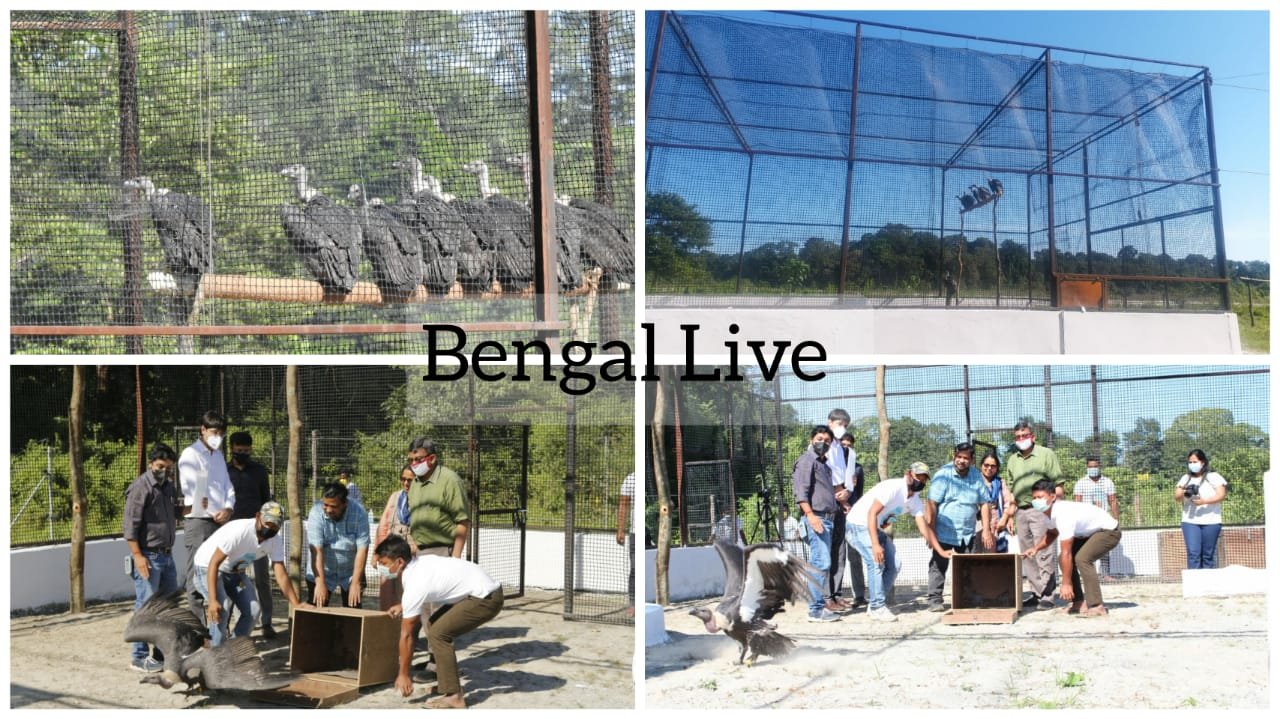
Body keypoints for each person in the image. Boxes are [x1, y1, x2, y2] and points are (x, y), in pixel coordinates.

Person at [379, 535, 504, 710]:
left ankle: (454, 696)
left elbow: (407, 635)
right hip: (480, 590)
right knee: (433, 625)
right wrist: (404, 605)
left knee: (439, 634)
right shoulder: (419, 563)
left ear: (399, 561)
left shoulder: (415, 582)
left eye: (384, 563)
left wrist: (403, 674)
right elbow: (425, 589)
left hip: (486, 598)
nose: (381, 568)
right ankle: (446, 683)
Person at [192, 501, 309, 646]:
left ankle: (232, 651)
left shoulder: (275, 540)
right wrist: (212, 600)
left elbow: (281, 573)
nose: (270, 529)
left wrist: (295, 603)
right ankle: (214, 657)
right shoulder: (239, 531)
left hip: (235, 573)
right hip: (207, 567)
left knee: (253, 610)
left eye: (275, 526)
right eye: (268, 524)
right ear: (258, 516)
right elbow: (213, 563)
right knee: (221, 609)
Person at [846, 462, 947, 621]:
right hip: (857, 524)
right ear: (908, 474)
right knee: (876, 561)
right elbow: (871, 513)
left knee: (895, 564)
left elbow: (923, 527)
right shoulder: (892, 487)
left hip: (874, 527)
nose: (921, 481)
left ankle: (875, 604)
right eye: (918, 476)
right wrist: (875, 544)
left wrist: (940, 551)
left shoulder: (914, 499)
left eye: (924, 479)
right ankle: (878, 607)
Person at [1022, 480, 1121, 617]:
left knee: (1082, 559)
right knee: (1064, 559)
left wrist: (1066, 583)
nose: (1036, 501)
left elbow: (1067, 552)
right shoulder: (1047, 514)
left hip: (1109, 531)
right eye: (1034, 498)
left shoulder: (1063, 514)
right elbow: (1051, 534)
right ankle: (1078, 603)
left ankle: (1097, 606)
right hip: (1089, 534)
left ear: (1052, 497)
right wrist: (1036, 548)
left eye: (1040, 497)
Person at [123, 443, 180, 672]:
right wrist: (138, 556)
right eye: (160, 466)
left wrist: (193, 508)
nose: (164, 471)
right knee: (146, 606)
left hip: (166, 555)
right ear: (150, 464)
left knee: (167, 606)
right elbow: (130, 526)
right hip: (149, 555)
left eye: (168, 468)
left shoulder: (167, 486)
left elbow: (174, 513)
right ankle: (138, 656)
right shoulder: (141, 487)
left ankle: (159, 654)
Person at [178, 410, 236, 616]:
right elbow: (196, 493)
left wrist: (228, 508)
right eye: (214, 432)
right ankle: (199, 629)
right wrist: (215, 512)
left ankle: (218, 626)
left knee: (219, 571)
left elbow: (228, 486)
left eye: (221, 433)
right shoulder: (190, 455)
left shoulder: (219, 456)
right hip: (199, 521)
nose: (217, 437)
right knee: (196, 575)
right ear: (202, 430)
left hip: (220, 522)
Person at [925, 442, 994, 611]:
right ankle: (935, 600)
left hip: (967, 532)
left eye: (965, 458)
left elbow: (985, 503)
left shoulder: (976, 476)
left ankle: (967, 598)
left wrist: (986, 530)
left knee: (968, 566)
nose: (961, 461)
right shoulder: (943, 475)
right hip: (943, 530)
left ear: (972, 460)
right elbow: (932, 503)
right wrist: (930, 531)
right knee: (938, 565)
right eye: (959, 457)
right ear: (954, 456)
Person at [1003, 420, 1064, 610]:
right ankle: (1037, 593)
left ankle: (1048, 594)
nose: (1021, 439)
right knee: (1027, 554)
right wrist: (1010, 515)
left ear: (1032, 436)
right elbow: (1012, 491)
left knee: (1044, 552)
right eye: (1018, 437)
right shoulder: (1012, 460)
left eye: (1024, 435)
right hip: (1021, 511)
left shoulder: (1046, 454)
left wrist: (1052, 510)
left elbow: (1059, 485)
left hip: (1041, 510)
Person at [225, 431, 276, 638]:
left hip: (257, 535)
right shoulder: (224, 472)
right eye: (239, 450)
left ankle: (266, 622)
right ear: (231, 449)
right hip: (233, 535)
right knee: (234, 578)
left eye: (246, 450)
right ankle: (235, 623)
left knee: (262, 578)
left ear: (251, 449)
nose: (243, 453)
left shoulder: (259, 471)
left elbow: (266, 500)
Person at [792, 425, 841, 623]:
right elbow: (801, 492)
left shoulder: (824, 464)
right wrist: (811, 515)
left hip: (828, 518)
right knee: (821, 563)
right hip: (817, 518)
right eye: (820, 439)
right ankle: (815, 609)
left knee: (821, 563)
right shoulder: (807, 461)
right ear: (812, 439)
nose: (823, 443)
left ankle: (818, 606)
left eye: (828, 441)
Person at [306, 482, 371, 608]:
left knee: (353, 615)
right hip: (322, 571)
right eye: (325, 505)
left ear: (344, 504)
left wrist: (356, 582)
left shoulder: (359, 512)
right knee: (315, 614)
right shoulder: (315, 512)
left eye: (334, 506)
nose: (328, 510)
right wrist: (319, 583)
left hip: (351, 572)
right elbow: (316, 551)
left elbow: (362, 549)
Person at [406, 437, 470, 558]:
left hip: (443, 552)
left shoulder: (450, 480)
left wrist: (455, 558)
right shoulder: (414, 483)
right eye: (410, 460)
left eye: (418, 459)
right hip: (419, 553)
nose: (413, 464)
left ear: (432, 458)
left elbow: (462, 521)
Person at [831, 426, 867, 610]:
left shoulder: (857, 469)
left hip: (852, 516)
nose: (845, 447)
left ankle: (859, 595)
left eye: (849, 445)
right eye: (842, 444)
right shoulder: (831, 464)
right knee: (838, 556)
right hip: (834, 515)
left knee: (855, 555)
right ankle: (835, 594)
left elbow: (858, 494)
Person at [1175, 449, 1228, 569]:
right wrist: (1184, 491)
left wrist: (1204, 501)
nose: (1192, 465)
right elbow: (1177, 497)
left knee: (1207, 555)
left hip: (1211, 521)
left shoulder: (1213, 476)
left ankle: (1207, 584)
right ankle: (1194, 583)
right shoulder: (1186, 478)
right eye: (1190, 462)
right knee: (1194, 553)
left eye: (1195, 461)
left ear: (1202, 462)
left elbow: (1221, 495)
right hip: (1190, 521)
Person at [377, 465, 418, 611]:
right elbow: (383, 526)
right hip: (390, 554)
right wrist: (377, 554)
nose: (406, 483)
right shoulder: (395, 497)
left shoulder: (423, 500)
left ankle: (406, 632)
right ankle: (386, 629)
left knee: (407, 598)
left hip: (411, 556)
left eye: (410, 480)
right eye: (403, 479)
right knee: (386, 594)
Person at [1072, 456, 1119, 579]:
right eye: (1090, 467)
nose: (1093, 469)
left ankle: (1106, 574)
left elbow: (1113, 501)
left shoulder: (1107, 482)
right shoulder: (1081, 483)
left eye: (1095, 466)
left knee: (1103, 547)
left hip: (1103, 519)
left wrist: (1116, 519)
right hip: (1086, 521)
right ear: (1087, 467)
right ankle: (1085, 573)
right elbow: (1077, 502)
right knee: (1084, 547)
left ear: (1099, 467)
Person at [976, 452, 1010, 553]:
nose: (989, 468)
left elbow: (1008, 502)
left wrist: (1004, 519)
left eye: (993, 466)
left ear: (997, 467)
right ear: (981, 465)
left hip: (997, 525)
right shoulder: (974, 481)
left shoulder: (1000, 482)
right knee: (977, 556)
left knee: (994, 557)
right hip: (978, 524)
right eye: (986, 465)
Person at [616, 472, 635, 614]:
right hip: (635, 531)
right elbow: (623, 504)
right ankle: (633, 603)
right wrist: (620, 530)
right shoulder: (630, 478)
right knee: (634, 568)